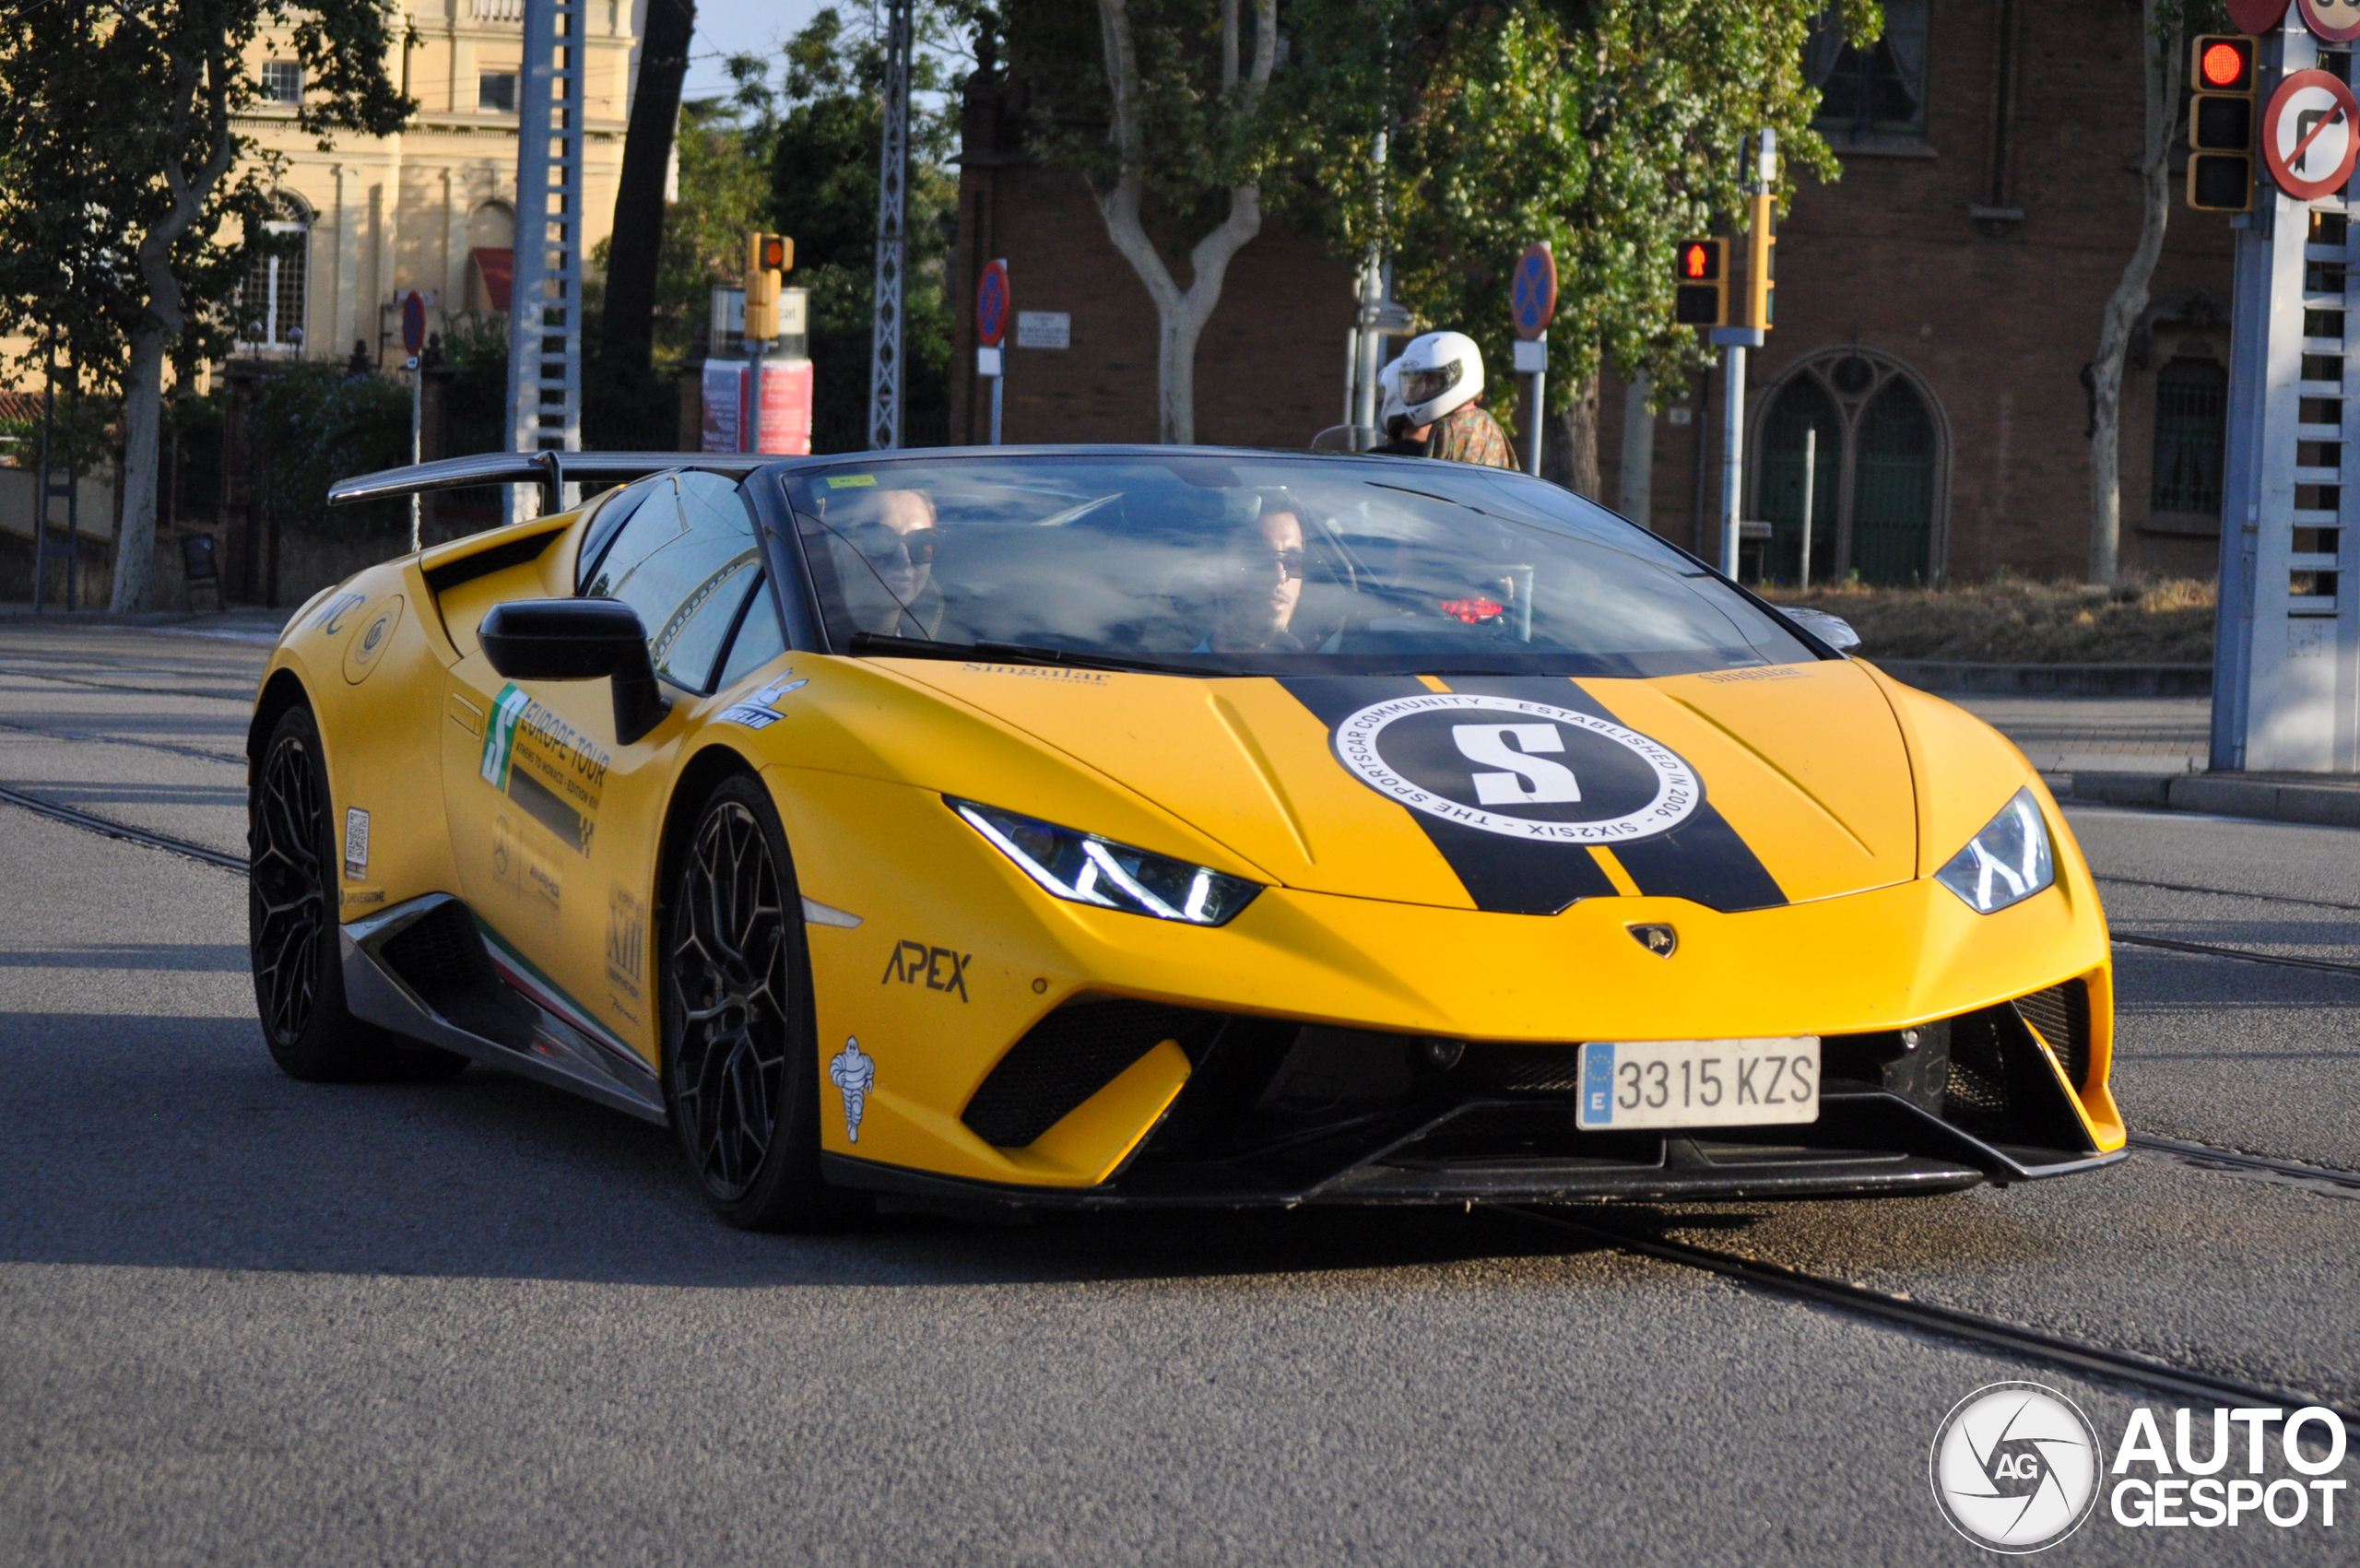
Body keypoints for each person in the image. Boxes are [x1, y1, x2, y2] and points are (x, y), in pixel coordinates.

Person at [1380, 330, 1515, 468]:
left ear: (1456, 374)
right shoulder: (1489, 423)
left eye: (1432, 379)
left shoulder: (1449, 427)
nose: (1425, 387)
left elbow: (1429, 480)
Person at [827, 487, 944, 636]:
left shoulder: (950, 650)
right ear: (835, 547)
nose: (904, 559)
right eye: (879, 538)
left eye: (920, 542)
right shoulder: (798, 640)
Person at [1201, 494, 1309, 654]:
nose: (1280, 576)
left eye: (1292, 561)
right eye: (1259, 558)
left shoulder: (1319, 673)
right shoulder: (1164, 672)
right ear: (1216, 572)